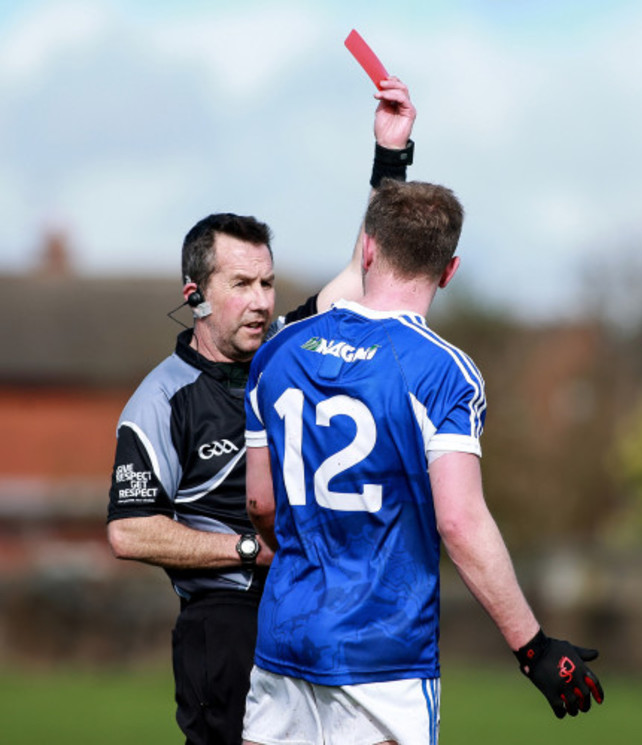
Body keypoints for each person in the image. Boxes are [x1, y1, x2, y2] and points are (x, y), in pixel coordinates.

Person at [106, 78, 416, 745]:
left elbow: (363, 278)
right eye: (240, 284)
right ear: (196, 294)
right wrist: (247, 548)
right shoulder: (160, 398)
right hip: (223, 623)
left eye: (267, 282)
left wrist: (389, 157)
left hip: (308, 613)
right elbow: (129, 532)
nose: (259, 299)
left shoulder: (283, 349)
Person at [243, 179, 605, 745]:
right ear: (449, 269)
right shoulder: (443, 373)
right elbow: (459, 521)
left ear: (367, 248)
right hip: (383, 657)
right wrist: (532, 647)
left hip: (284, 644)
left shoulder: (279, 352)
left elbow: (260, 503)